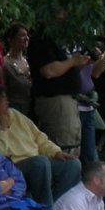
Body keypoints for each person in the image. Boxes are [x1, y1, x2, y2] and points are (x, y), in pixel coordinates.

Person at [0, 84, 80, 206]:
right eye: (3, 100)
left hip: (39, 160)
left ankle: (52, 206)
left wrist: (55, 152)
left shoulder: (14, 114)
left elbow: (39, 137)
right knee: (40, 163)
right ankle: (45, 206)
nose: (7, 102)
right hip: (15, 167)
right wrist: (3, 130)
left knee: (73, 165)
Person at [27, 23, 88, 153]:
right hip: (56, 102)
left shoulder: (61, 37)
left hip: (69, 101)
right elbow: (48, 71)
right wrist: (73, 61)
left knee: (73, 147)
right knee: (63, 149)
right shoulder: (43, 38)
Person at [1, 22, 32, 117]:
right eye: (22, 35)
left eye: (27, 35)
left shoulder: (29, 62)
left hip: (32, 112)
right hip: (14, 113)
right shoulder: (5, 64)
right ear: (11, 39)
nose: (26, 38)